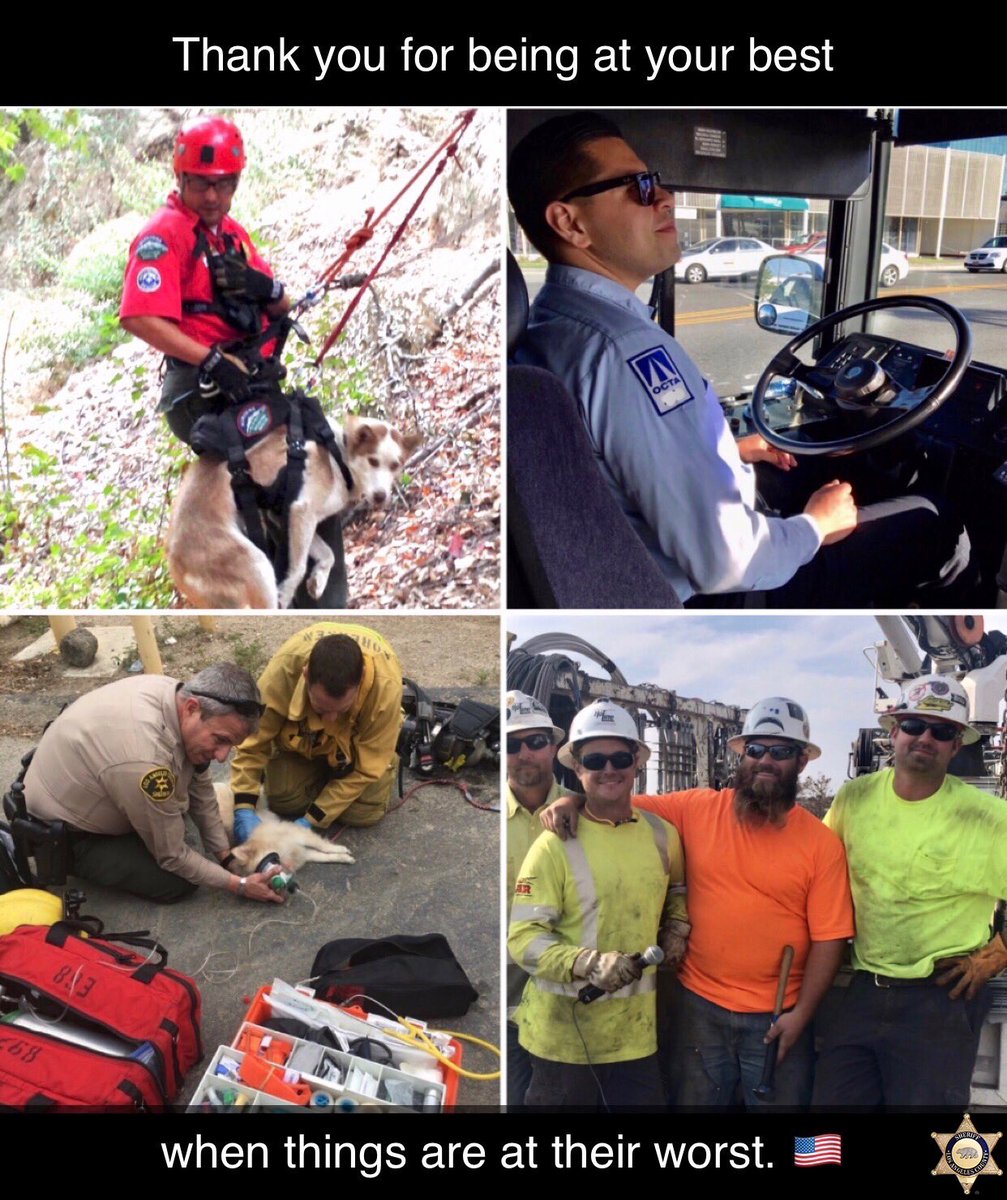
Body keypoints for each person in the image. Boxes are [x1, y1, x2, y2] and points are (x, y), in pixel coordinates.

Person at [508, 112, 970, 607]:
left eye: (656, 182)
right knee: (936, 519)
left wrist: (730, 449)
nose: (665, 198)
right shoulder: (627, 352)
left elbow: (614, 454)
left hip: (640, 559)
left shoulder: (551, 325)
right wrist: (816, 526)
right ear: (570, 222)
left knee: (796, 475)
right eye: (637, 187)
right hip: (727, 594)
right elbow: (730, 562)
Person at [542, 697, 854, 1108]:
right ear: (741, 754)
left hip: (778, 1017)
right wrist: (571, 801)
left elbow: (830, 939)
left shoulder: (820, 844)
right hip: (699, 1010)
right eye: (756, 750)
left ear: (801, 762)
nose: (765, 761)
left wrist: (801, 1017)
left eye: (780, 752)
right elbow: (614, 798)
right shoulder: (697, 809)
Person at [119, 114, 346, 607]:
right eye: (202, 185)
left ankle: (310, 583)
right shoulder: (165, 236)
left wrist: (267, 288)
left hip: (248, 382)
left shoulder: (231, 235)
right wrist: (211, 360)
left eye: (225, 185)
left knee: (313, 447)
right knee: (289, 474)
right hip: (204, 389)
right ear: (180, 179)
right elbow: (138, 316)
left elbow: (281, 304)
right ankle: (283, 585)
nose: (213, 197)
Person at [813, 674, 1007, 1108]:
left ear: (956, 746)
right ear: (894, 731)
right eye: (915, 725)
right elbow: (816, 873)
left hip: (942, 998)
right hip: (864, 988)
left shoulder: (989, 819)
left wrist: (997, 953)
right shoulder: (854, 798)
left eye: (942, 731)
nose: (926, 738)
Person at [508, 698, 687, 1108]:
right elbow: (522, 939)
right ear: (576, 767)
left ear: (637, 764)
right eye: (595, 759)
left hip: (634, 1040)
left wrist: (678, 926)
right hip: (564, 1041)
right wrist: (590, 963)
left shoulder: (662, 835)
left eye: (620, 757)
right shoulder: (553, 843)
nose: (609, 769)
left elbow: (676, 890)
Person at [23, 665, 284, 904]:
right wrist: (239, 884)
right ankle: (74, 862)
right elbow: (172, 856)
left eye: (231, 745)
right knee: (178, 881)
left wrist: (225, 856)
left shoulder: (177, 694)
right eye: (220, 740)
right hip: (67, 833)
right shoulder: (147, 762)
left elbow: (200, 785)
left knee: (179, 825)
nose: (222, 756)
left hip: (78, 783)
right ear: (192, 708)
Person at [230, 624, 403, 842]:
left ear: (362, 679)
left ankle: (384, 762)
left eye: (341, 710)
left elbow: (365, 771)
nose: (330, 719)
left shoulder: (385, 688)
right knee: (284, 800)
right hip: (304, 742)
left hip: (357, 751)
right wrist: (244, 805)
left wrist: (310, 821)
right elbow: (253, 740)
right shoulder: (285, 670)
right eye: (320, 708)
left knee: (363, 814)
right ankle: (324, 775)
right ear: (306, 674)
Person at [504, 689, 567, 1109]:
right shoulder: (491, 814)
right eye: (512, 744)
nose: (524, 753)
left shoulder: (588, 813)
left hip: (563, 981)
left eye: (536, 742)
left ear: (555, 746)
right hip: (507, 983)